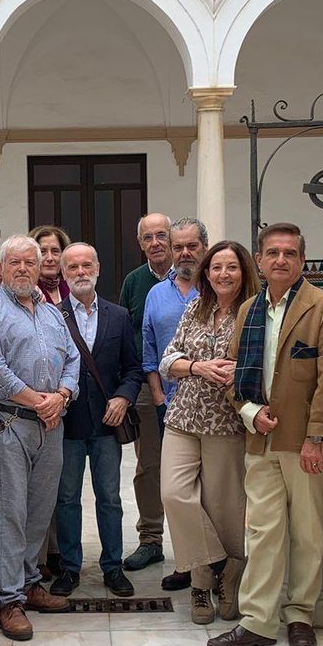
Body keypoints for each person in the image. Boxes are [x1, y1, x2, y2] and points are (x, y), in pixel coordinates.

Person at [208, 223, 323, 646]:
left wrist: (316, 437)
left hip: (307, 444)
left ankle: (300, 614)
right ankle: (258, 621)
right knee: (263, 532)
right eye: (273, 253)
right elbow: (233, 372)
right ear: (260, 261)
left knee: (307, 534)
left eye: (289, 253)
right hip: (260, 440)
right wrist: (249, 411)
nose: (281, 260)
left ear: (302, 260)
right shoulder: (249, 309)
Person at [0, 235, 78, 640]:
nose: (23, 269)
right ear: (0, 267)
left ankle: (31, 583)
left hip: (51, 423)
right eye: (15, 262)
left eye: (30, 262)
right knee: (11, 511)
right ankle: (10, 599)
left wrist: (62, 395)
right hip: (8, 421)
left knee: (40, 508)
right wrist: (40, 402)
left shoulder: (51, 313)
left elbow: (72, 359)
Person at [159, 240, 257, 625]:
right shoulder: (196, 307)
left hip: (228, 421)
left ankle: (222, 582)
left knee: (224, 508)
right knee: (174, 494)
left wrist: (237, 370)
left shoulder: (254, 311)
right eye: (216, 267)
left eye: (231, 267)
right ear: (207, 273)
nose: (223, 274)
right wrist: (197, 366)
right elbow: (168, 359)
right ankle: (213, 570)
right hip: (183, 417)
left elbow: (263, 362)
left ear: (243, 272)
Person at [52, 242, 142, 598]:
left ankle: (112, 566)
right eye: (73, 267)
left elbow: (133, 368)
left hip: (107, 424)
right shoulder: (51, 316)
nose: (80, 272)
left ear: (98, 268)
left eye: (86, 265)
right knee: (66, 498)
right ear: (63, 273)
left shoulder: (118, 316)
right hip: (67, 424)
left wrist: (123, 397)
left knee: (109, 498)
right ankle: (70, 567)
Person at [135, 216, 207, 590]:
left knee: (209, 488)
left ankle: (212, 564)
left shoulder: (218, 288)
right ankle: (183, 558)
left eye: (191, 246)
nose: (184, 253)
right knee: (172, 486)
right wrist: (159, 395)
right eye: (179, 247)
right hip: (168, 403)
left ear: (204, 247)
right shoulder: (155, 294)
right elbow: (148, 348)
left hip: (212, 405)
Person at [118, 213, 173, 575]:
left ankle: (200, 545)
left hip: (194, 386)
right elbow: (127, 333)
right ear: (140, 244)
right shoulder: (134, 281)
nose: (155, 243)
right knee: (149, 465)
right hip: (144, 385)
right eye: (148, 237)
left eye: (161, 235)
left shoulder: (194, 278)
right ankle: (151, 539)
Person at [30, 224, 72, 303]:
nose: (50, 258)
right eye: (42, 252)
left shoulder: (71, 289)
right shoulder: (26, 291)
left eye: (55, 251)